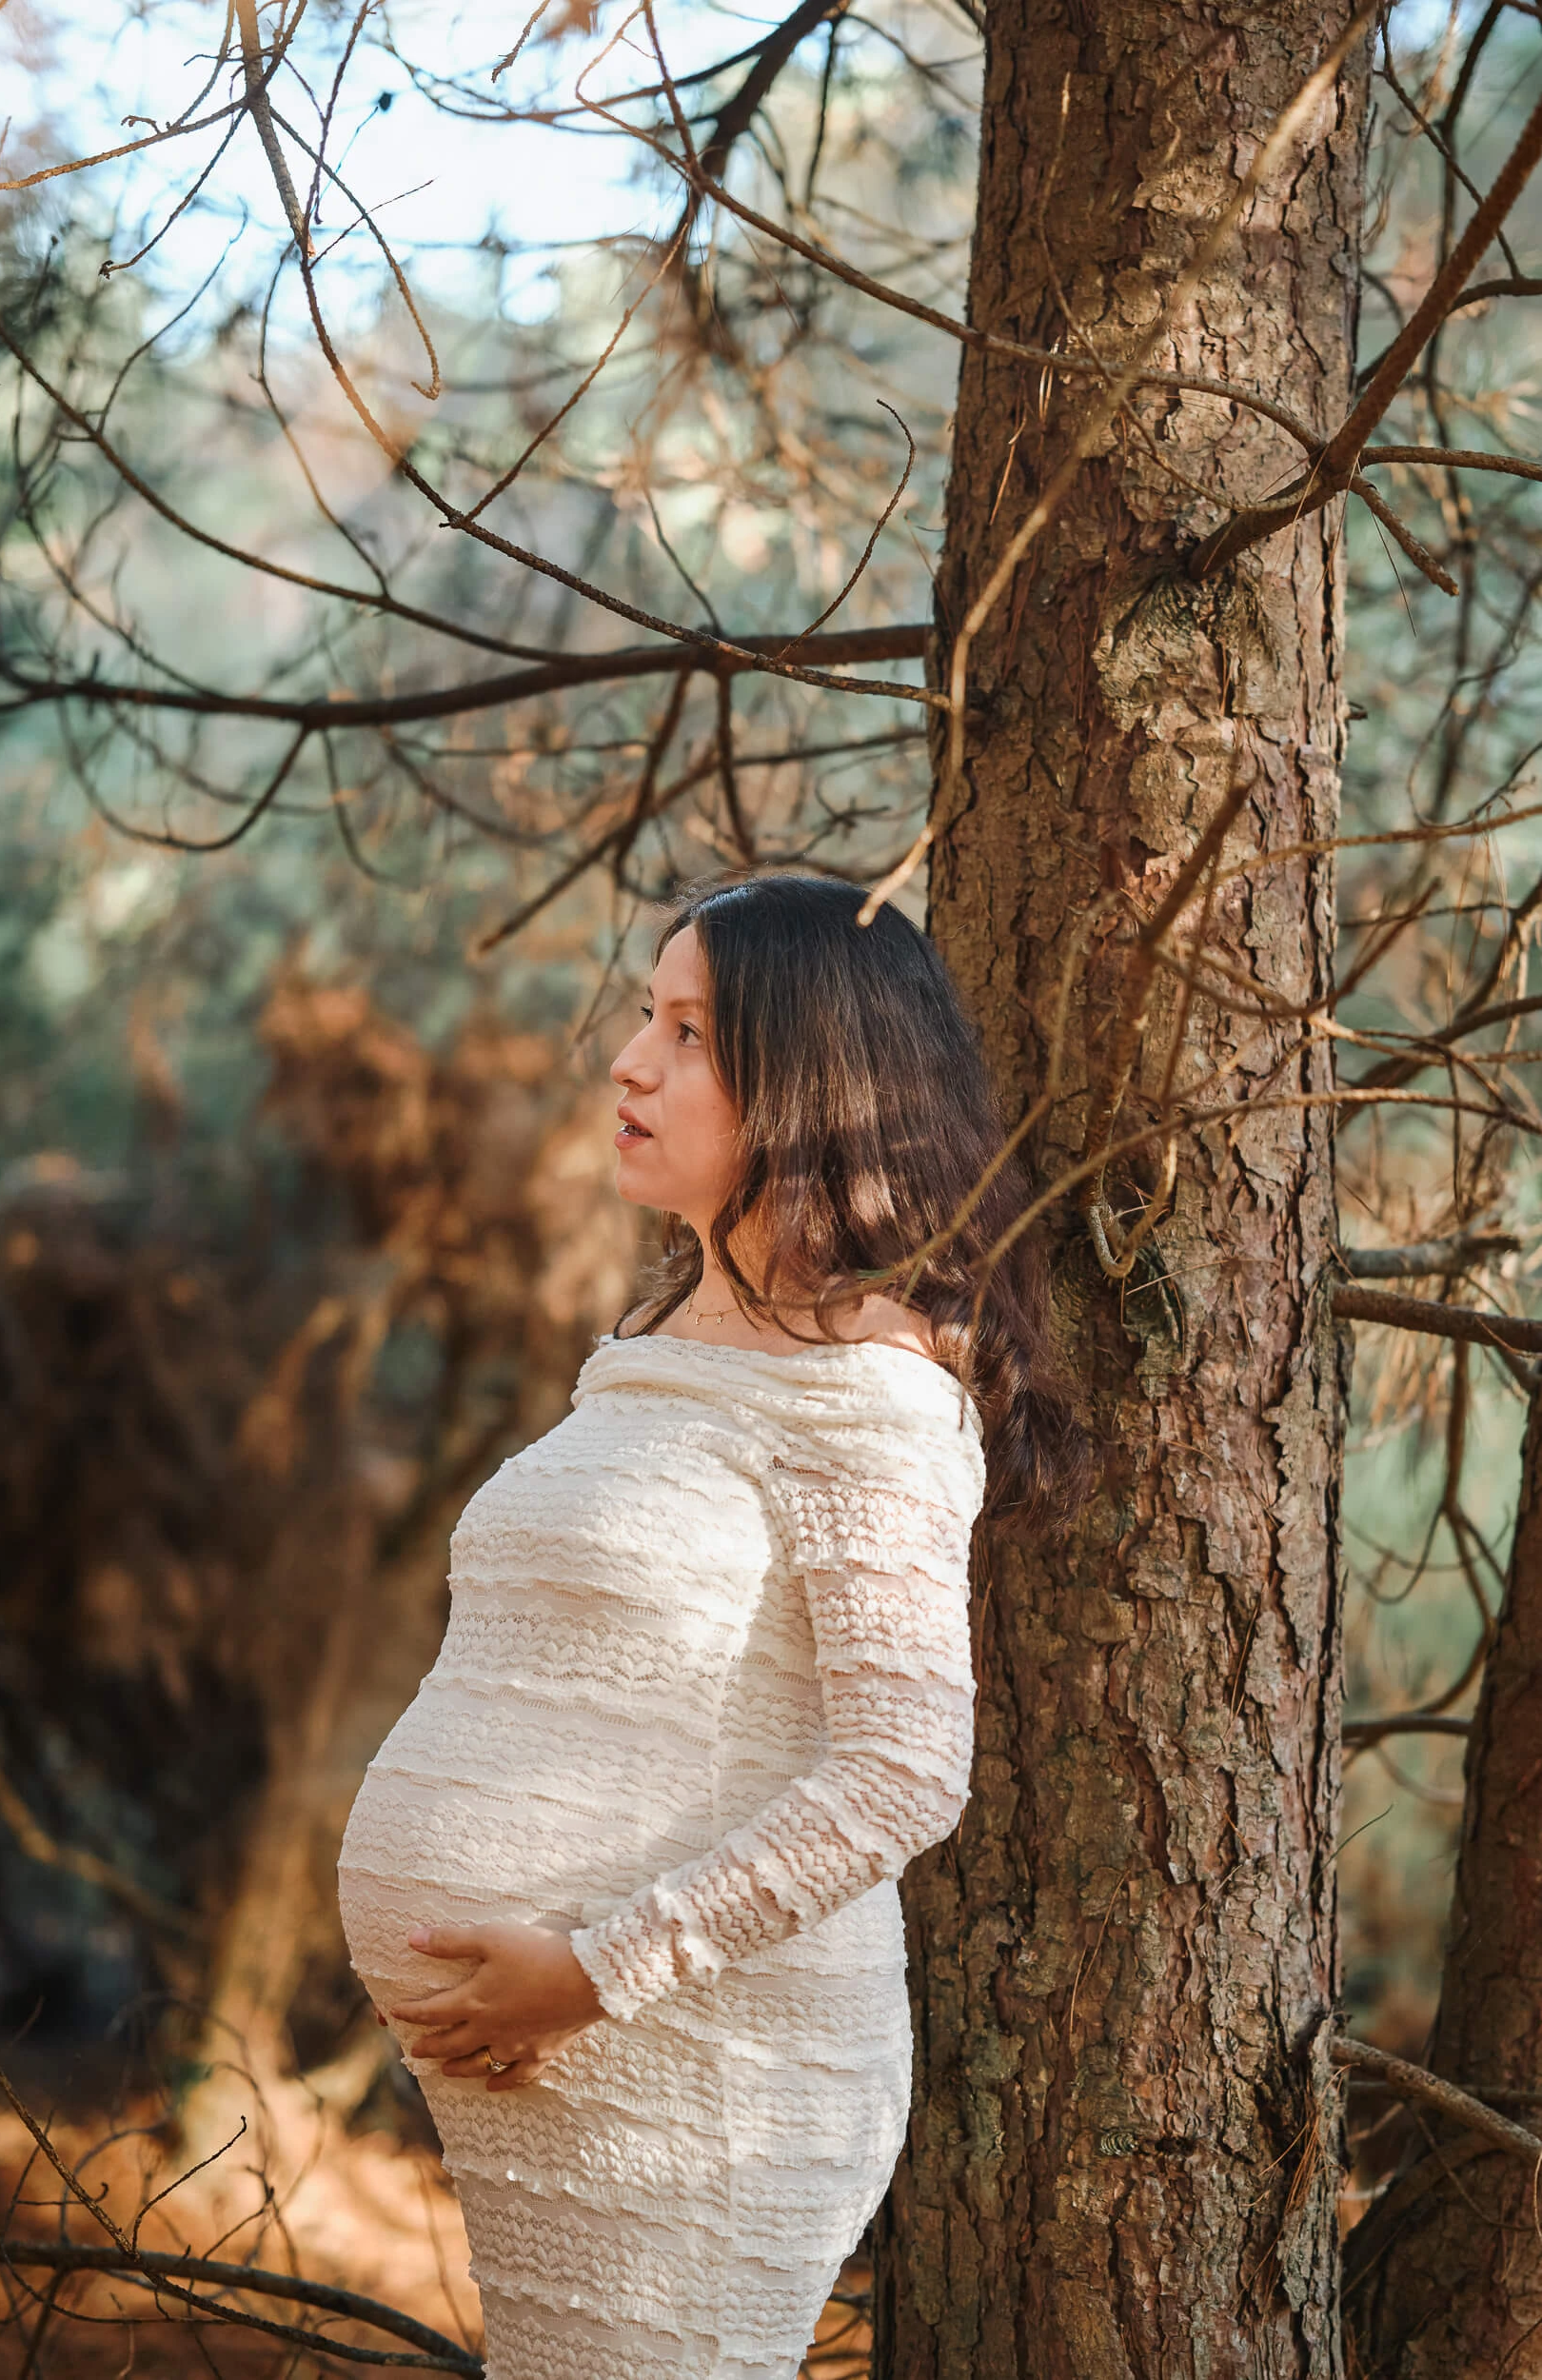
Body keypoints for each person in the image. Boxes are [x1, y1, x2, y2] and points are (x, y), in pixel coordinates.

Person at [337, 870, 1085, 2380]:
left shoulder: (870, 1392)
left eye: (689, 1033)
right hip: (563, 2071)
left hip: (701, 2075)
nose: (629, 1061)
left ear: (812, 1083)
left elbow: (902, 1772)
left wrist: (598, 1970)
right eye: (644, 1015)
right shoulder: (663, 1339)